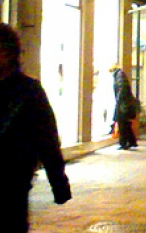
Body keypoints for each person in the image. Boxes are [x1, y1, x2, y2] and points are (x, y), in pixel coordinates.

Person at [0, 23, 72, 232]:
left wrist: (58, 183)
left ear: (10, 54)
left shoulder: (29, 90)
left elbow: (47, 138)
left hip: (12, 181)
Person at [111, 64, 138, 150]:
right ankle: (131, 141)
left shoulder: (119, 75)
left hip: (123, 104)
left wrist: (119, 100)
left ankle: (123, 143)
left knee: (122, 123)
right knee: (125, 123)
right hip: (124, 103)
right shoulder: (120, 74)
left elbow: (122, 88)